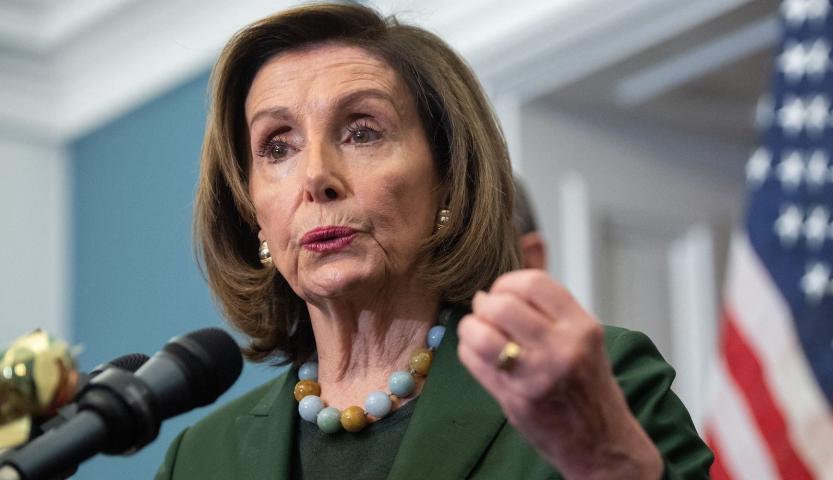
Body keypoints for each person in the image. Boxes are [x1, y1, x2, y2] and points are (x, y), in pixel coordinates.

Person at [155, 4, 712, 479]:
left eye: (362, 131)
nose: (315, 176)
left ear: (447, 177)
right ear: (252, 210)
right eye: (277, 146)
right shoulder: (201, 459)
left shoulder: (600, 383)